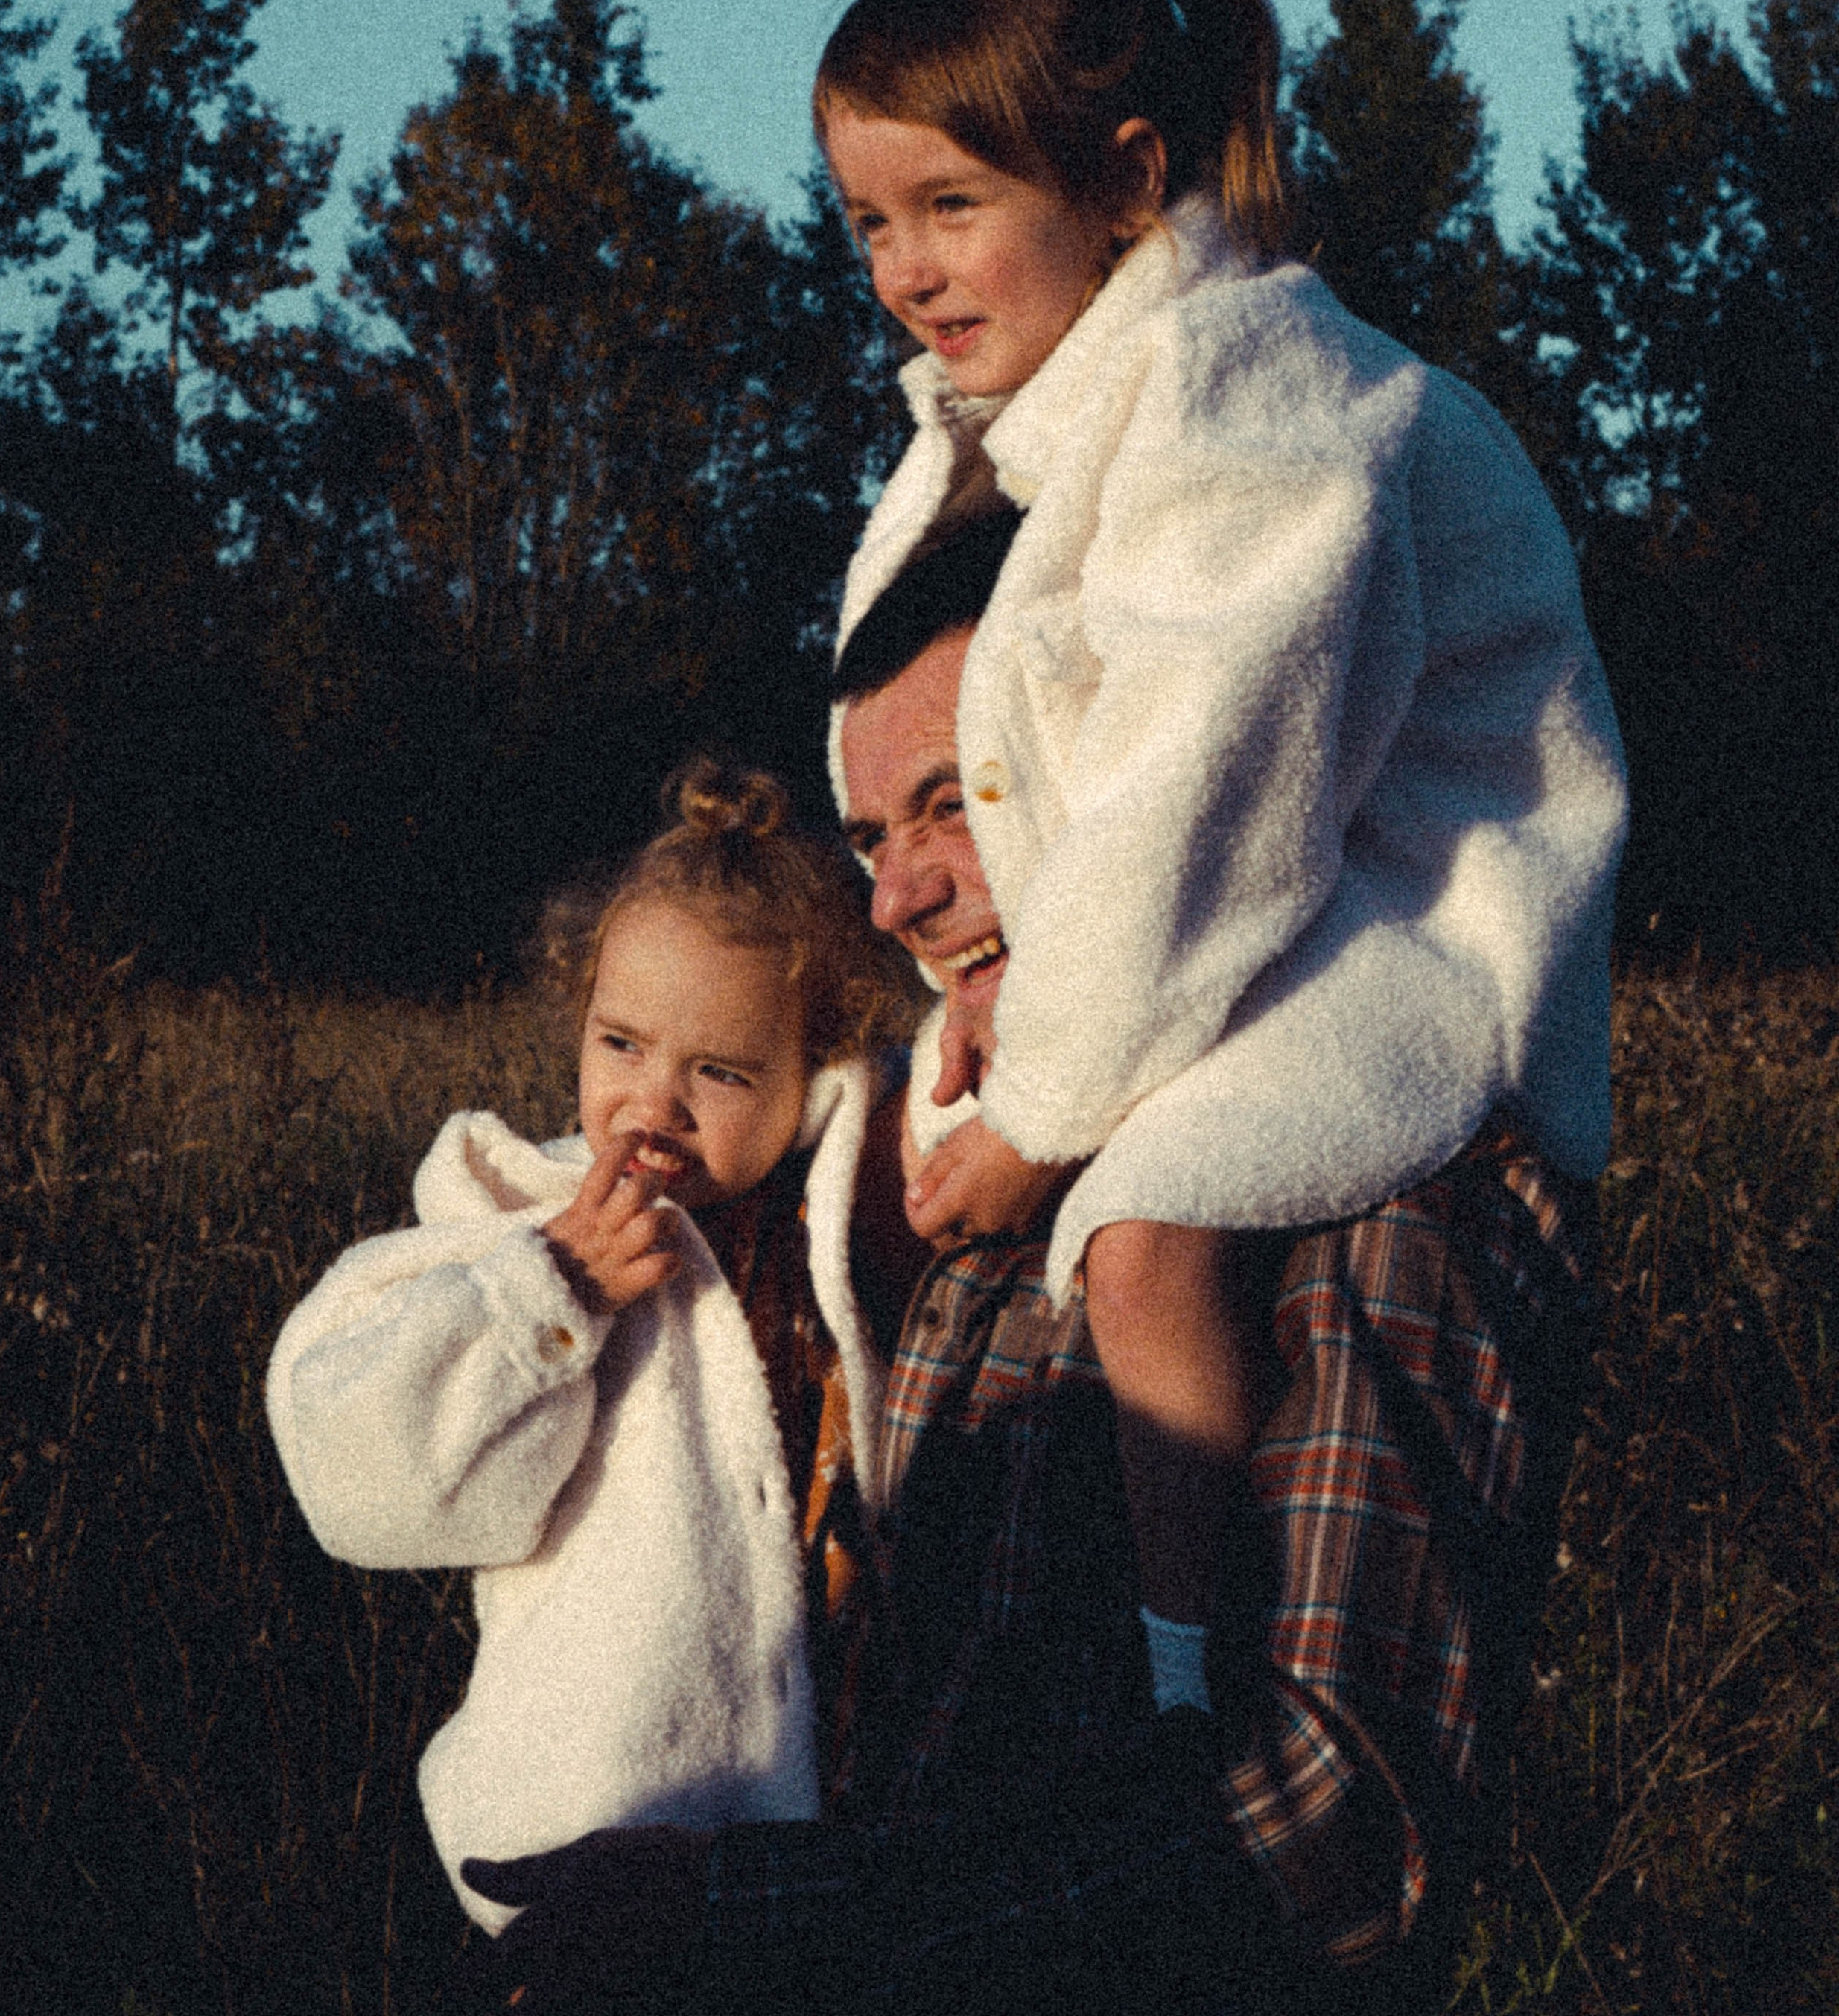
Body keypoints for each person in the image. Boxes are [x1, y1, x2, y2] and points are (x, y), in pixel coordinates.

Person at [460, 539, 1598, 2015]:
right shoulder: (971, 1149)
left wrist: (728, 1912)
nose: (894, 898)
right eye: (869, 833)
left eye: (959, 798)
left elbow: (1332, 1831)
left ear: (1152, 777)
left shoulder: (1372, 1164)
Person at [815, 0, 1627, 1721]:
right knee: (898, 1167)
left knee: (1142, 1227)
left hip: (1428, 917)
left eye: (950, 206)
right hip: (1300, 886)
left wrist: (1044, 1110)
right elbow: (972, 727)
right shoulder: (1012, 412)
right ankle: (905, 1631)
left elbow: (1208, 788)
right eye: (868, 220)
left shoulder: (1249, 392)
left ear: (1122, 177)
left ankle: (1194, 1690)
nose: (903, 270)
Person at [265, 763, 919, 1936]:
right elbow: (352, 1474)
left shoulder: (847, 1217)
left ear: (813, 1074)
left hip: (825, 1846)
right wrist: (549, 1298)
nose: (651, 1102)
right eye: (620, 1043)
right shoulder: (512, 1227)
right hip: (587, 1840)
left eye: (719, 1072)